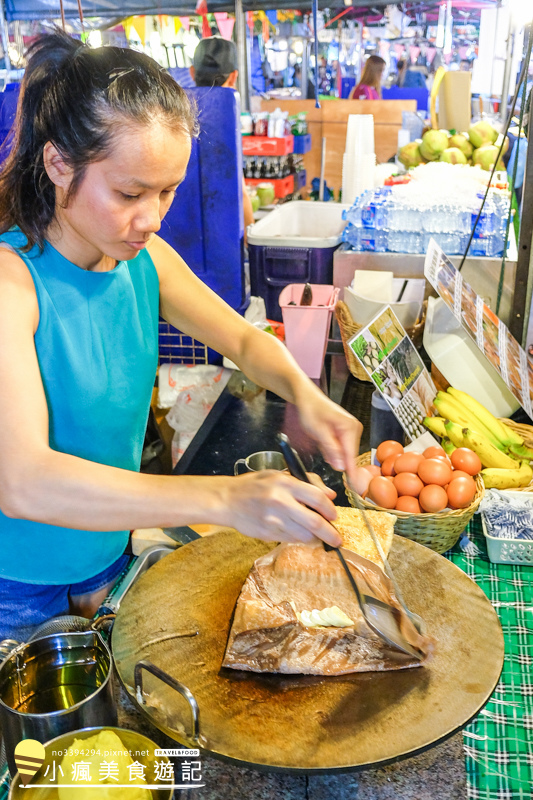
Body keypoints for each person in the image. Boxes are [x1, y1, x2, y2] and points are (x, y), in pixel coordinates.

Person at [0, 30, 362, 642]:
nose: (152, 218)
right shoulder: (13, 283)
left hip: (107, 555)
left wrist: (309, 396)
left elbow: (246, 343)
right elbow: (24, 480)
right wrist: (223, 500)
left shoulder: (144, 260)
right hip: (17, 590)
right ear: (58, 162)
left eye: (167, 191)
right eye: (129, 193)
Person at [189, 36, 254, 233]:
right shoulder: (227, 116)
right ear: (234, 76)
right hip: (224, 238)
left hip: (177, 238)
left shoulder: (171, 110)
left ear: (192, 73)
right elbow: (240, 193)